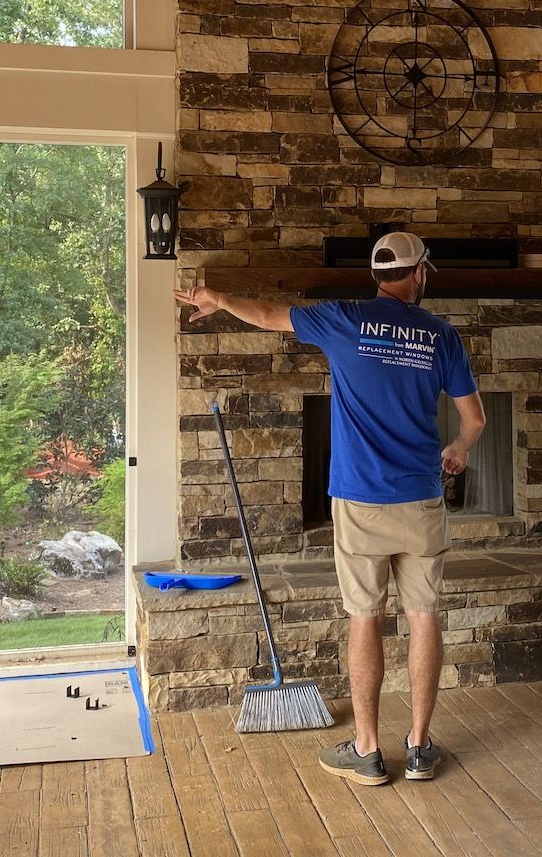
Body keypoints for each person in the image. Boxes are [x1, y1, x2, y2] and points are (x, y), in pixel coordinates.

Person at [176, 231, 485, 786]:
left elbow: (271, 315)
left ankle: (367, 752)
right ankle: (418, 747)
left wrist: (219, 299)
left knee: (365, 617)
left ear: (376, 275)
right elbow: (475, 420)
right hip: (420, 499)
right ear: (418, 274)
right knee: (423, 616)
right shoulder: (441, 336)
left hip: (361, 501)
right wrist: (457, 450)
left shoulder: (343, 319)